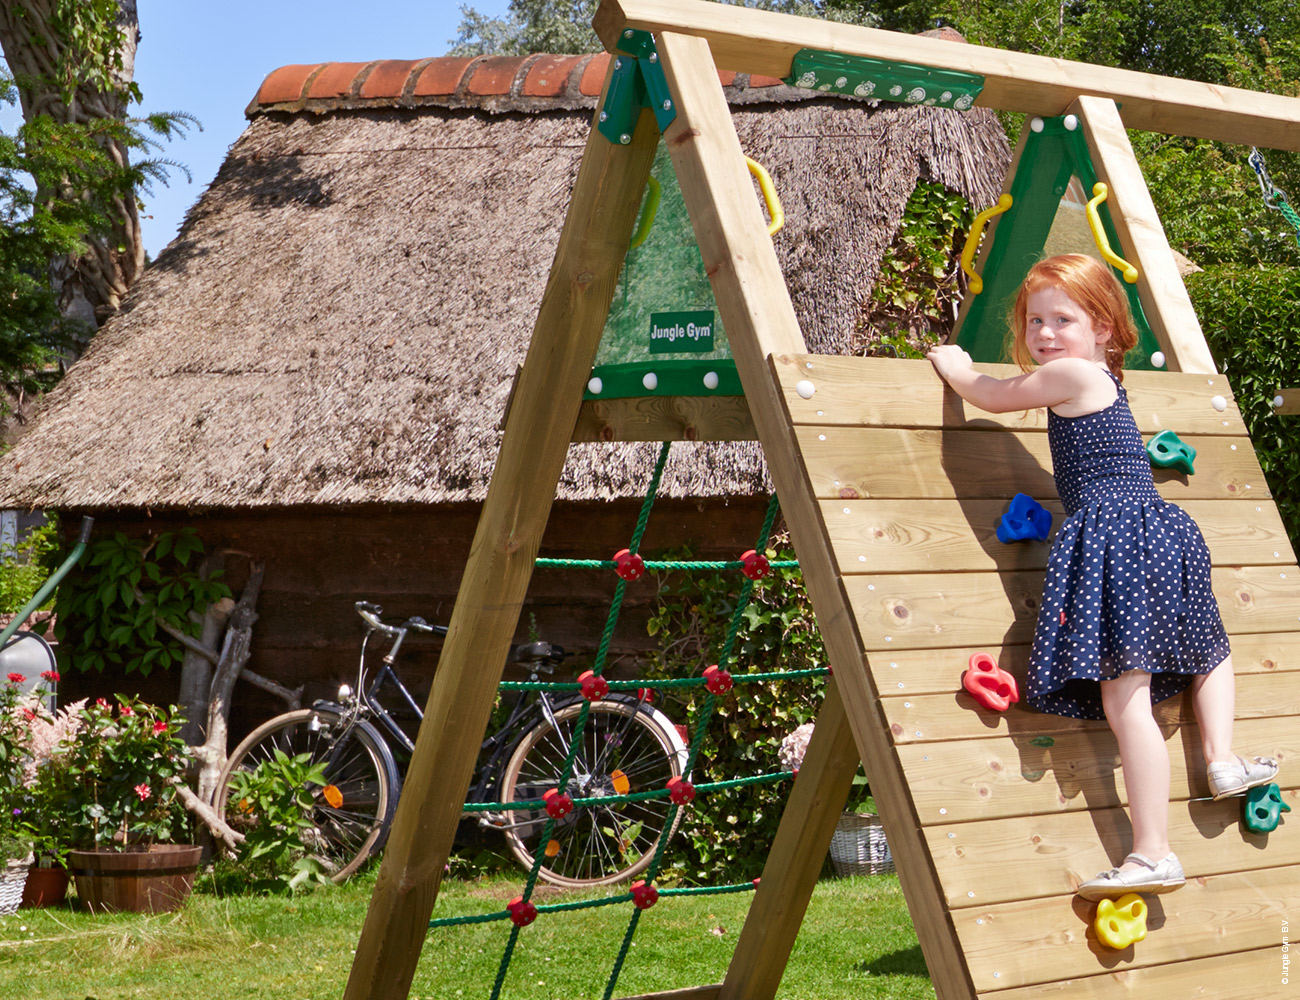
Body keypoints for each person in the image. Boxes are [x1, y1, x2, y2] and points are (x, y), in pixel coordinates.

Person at [927, 253, 1277, 900]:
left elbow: (995, 397)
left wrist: (957, 369)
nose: (1046, 334)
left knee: (1126, 701)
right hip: (1162, 532)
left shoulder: (1068, 375)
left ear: (1105, 330)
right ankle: (1222, 759)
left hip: (1117, 535)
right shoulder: (1109, 380)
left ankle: (1152, 852)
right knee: (1210, 647)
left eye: (1065, 318)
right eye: (1036, 320)